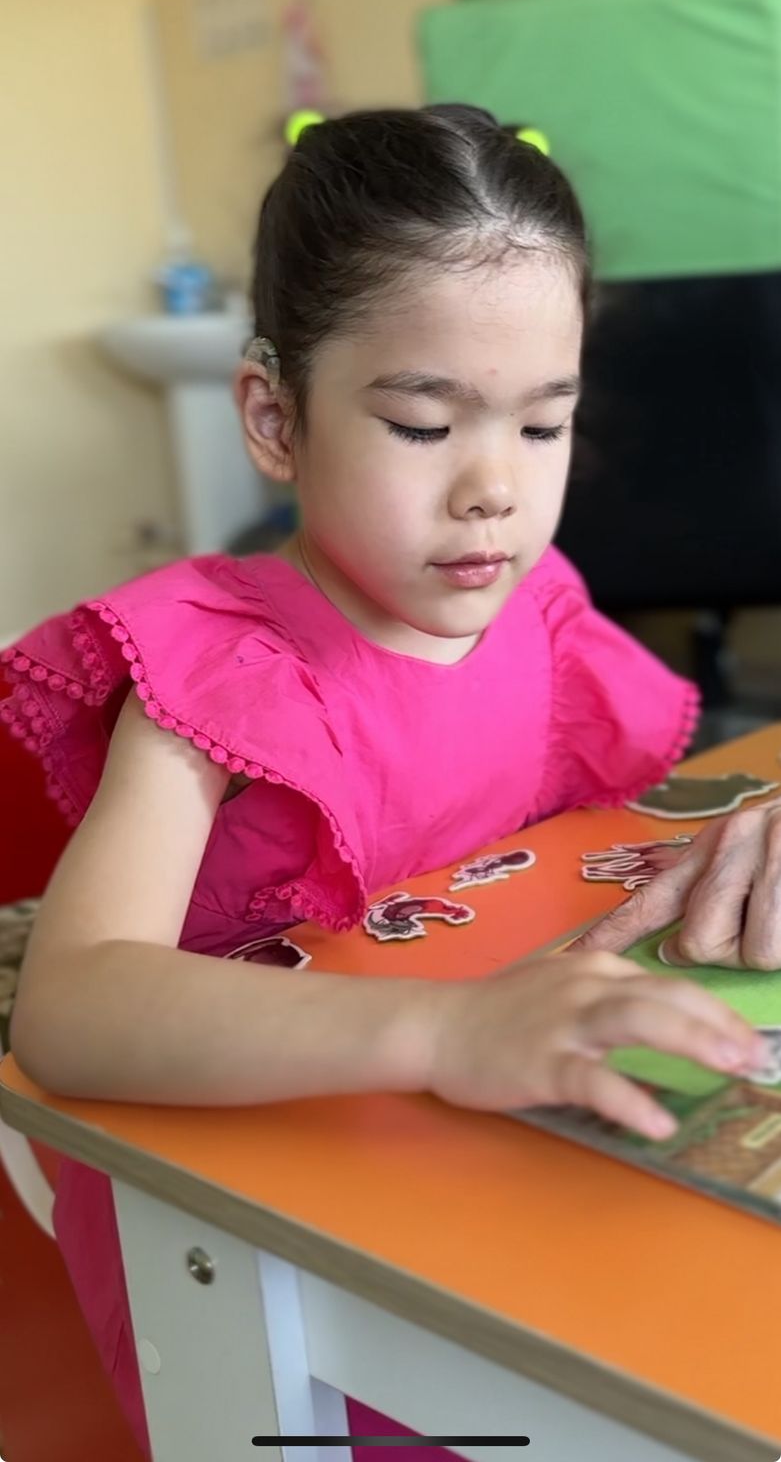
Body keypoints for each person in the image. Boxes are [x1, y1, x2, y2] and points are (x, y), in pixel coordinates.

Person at [2, 106, 772, 1456]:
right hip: (242, 1218)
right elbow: (69, 1009)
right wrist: (442, 1035)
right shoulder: (213, 668)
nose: (494, 491)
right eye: (423, 423)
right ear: (273, 417)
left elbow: (583, 853)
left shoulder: (538, 608)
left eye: (544, 424)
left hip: (466, 1148)